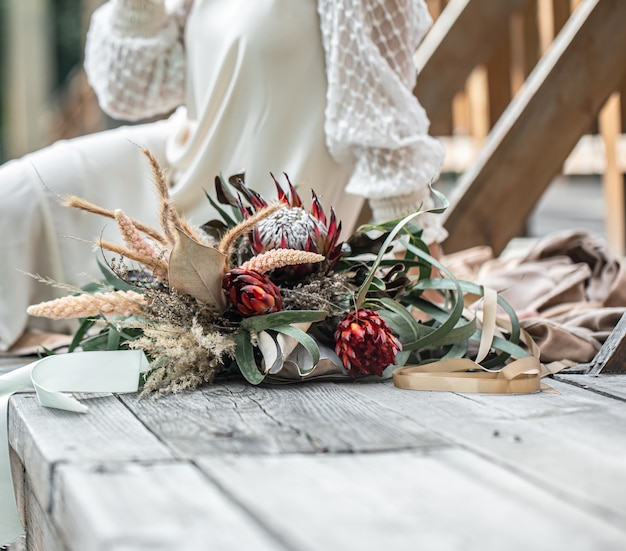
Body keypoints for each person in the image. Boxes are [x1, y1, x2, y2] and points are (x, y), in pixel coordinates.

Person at [0, 0, 445, 352]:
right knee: (11, 197)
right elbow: (130, 89)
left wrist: (419, 274)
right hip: (167, 171)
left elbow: (385, 132)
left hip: (262, 227)